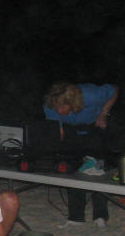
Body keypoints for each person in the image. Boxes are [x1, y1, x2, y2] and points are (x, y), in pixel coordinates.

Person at [43, 81, 119, 226]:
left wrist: (103, 113)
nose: (58, 110)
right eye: (56, 107)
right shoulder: (50, 105)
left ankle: (100, 215)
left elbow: (114, 89)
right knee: (73, 170)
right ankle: (76, 217)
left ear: (72, 103)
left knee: (98, 170)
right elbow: (58, 130)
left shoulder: (91, 95)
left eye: (62, 107)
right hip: (72, 129)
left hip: (95, 126)